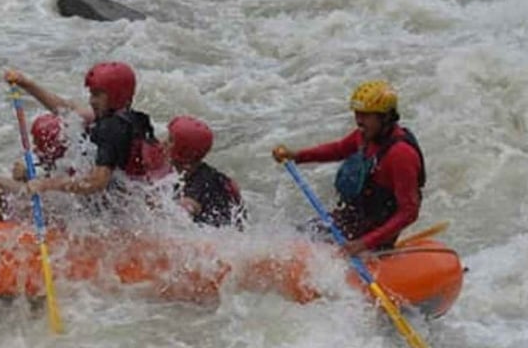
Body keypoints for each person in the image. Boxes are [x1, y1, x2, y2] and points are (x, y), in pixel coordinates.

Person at [271, 79, 425, 254]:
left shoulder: (401, 155)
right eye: (357, 113)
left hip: (374, 233)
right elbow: (338, 150)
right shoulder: (365, 136)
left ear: (385, 117)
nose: (359, 120)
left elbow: (409, 212)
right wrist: (296, 156)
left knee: (313, 249)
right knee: (295, 234)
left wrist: (364, 243)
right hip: (353, 219)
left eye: (366, 115)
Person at [5, 62, 167, 203]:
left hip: (110, 212)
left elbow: (96, 182)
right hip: (129, 201)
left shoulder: (111, 129)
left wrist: (46, 184)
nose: (91, 100)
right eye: (91, 94)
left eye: (97, 95)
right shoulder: (132, 118)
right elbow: (65, 108)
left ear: (115, 96)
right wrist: (26, 83)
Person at [166, 116, 245, 228]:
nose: (163, 143)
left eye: (170, 140)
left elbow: (186, 208)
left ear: (182, 151)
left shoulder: (202, 181)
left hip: (216, 238)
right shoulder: (200, 172)